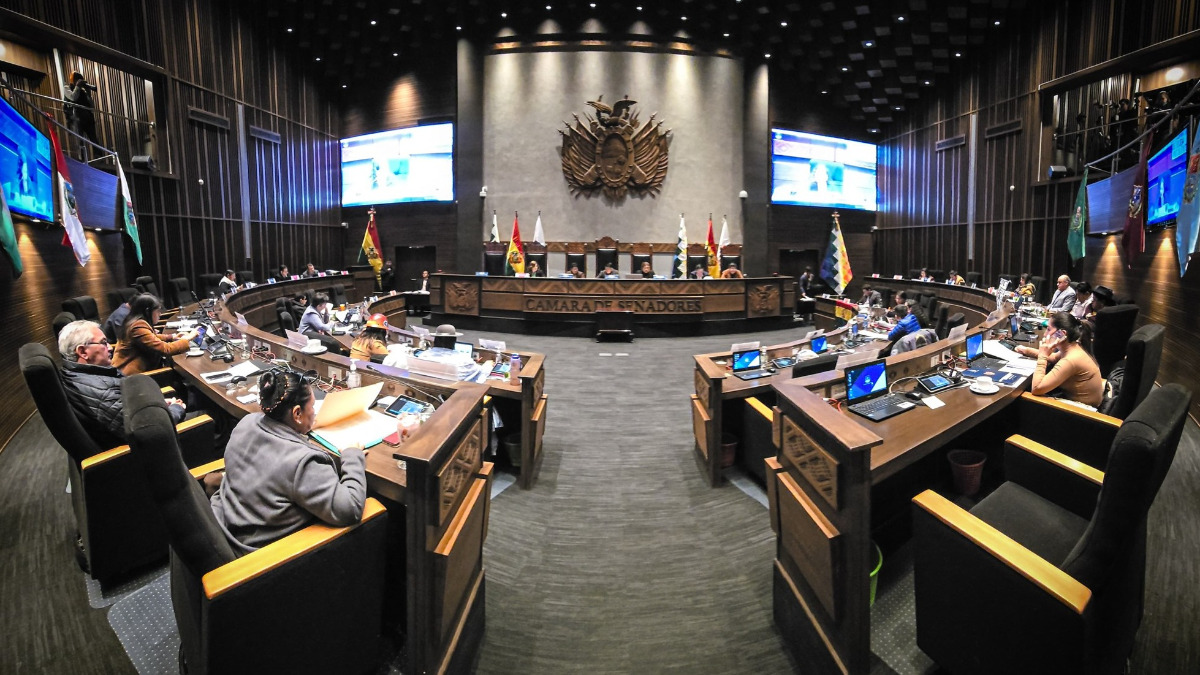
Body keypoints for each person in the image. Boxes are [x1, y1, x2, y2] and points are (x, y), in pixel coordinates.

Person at [209, 369, 367, 554]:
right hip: (266, 562)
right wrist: (352, 456)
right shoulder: (302, 463)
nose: (315, 413)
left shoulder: (246, 422)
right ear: (297, 413)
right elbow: (350, 509)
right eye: (312, 407)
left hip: (229, 526)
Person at [59, 319, 185, 448]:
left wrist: (158, 405)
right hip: (152, 454)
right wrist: (175, 410)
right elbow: (145, 431)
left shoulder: (78, 373)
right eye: (103, 343)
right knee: (204, 411)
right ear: (83, 352)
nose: (110, 348)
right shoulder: (102, 392)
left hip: (143, 420)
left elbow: (122, 407)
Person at [1014, 312, 1103, 408]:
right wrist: (1026, 350)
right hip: (1076, 405)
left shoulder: (1071, 360)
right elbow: (1053, 357)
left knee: (1019, 398)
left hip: (1080, 415)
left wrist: (1042, 356)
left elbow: (1036, 388)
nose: (1045, 334)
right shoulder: (1074, 347)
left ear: (1062, 334)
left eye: (1048, 329)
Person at [112, 294, 197, 375]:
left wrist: (171, 337)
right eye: (157, 311)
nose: (160, 314)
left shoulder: (134, 322)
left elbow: (149, 337)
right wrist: (187, 338)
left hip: (139, 372)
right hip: (135, 377)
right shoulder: (137, 327)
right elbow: (166, 350)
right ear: (147, 311)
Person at [63, 71, 98, 160]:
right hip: (76, 118)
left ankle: (99, 157)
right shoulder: (67, 88)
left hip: (87, 118)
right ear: (73, 81)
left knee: (94, 139)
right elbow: (73, 98)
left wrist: (88, 93)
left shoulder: (82, 92)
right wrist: (78, 87)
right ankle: (82, 159)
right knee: (80, 141)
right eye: (77, 80)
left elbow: (92, 107)